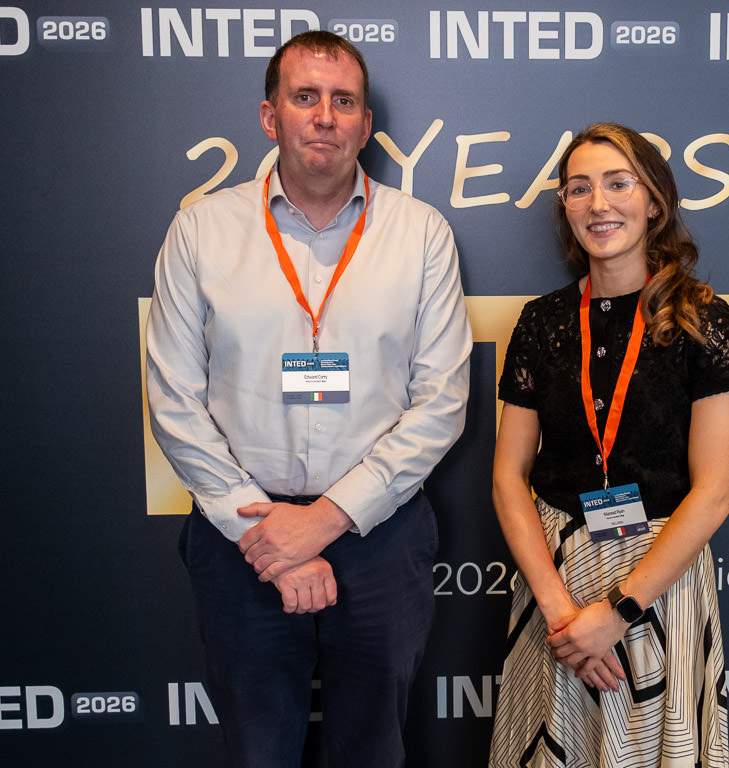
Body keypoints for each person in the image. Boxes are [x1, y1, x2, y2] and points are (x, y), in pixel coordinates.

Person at [146, 31, 472, 768]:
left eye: (343, 101)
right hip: (242, 539)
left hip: (379, 537)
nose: (325, 116)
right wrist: (270, 538)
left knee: (373, 750)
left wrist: (325, 520)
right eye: (305, 97)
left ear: (365, 123)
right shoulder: (201, 231)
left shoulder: (420, 233)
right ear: (271, 117)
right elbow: (173, 401)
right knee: (257, 752)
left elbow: (441, 402)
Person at [488, 123, 729, 768]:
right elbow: (508, 477)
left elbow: (714, 494)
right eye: (579, 189)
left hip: (660, 580)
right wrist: (560, 612)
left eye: (617, 183)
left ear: (655, 201)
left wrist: (618, 611)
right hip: (554, 578)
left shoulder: (702, 320)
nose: (598, 204)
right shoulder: (541, 322)